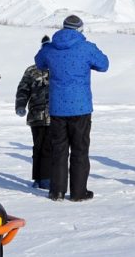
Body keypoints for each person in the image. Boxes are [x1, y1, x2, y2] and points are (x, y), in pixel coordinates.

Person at [34, 15, 109, 202]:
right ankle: (78, 193)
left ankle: (56, 191)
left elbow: (39, 62)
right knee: (80, 150)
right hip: (81, 107)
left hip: (58, 108)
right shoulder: (86, 47)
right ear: (80, 29)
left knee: (59, 150)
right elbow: (104, 65)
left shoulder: (50, 48)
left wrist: (45, 48)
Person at [15, 36, 52, 189]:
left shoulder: (58, 67)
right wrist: (20, 105)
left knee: (48, 148)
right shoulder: (32, 70)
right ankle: (39, 178)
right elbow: (23, 89)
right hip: (36, 115)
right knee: (38, 147)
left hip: (54, 115)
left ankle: (46, 178)